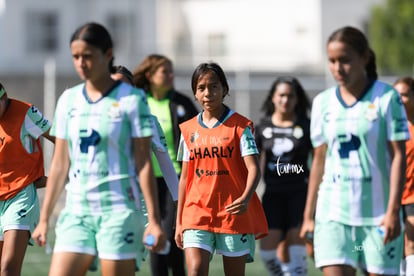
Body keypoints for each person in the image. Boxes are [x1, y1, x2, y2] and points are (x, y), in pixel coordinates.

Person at [31, 22, 166, 276]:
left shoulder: (132, 100)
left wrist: (155, 221)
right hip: (77, 213)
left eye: (88, 56)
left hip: (119, 212)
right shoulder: (68, 100)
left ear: (108, 55)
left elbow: (144, 163)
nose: (81, 63)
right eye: (76, 57)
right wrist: (45, 218)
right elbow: (60, 164)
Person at [300, 26, 409, 276]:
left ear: (364, 58)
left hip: (379, 218)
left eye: (345, 60)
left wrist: (393, 211)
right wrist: (309, 216)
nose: (338, 68)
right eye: (332, 61)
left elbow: (398, 157)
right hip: (333, 216)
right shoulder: (322, 103)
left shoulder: (387, 98)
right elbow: (318, 160)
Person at [174, 62, 268, 276]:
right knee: (196, 270)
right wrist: (179, 222)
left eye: (214, 86)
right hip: (196, 212)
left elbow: (254, 169)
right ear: (195, 93)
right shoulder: (188, 130)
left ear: (224, 89)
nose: (208, 93)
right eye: (201, 88)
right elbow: (185, 178)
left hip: (232, 213)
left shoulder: (241, 127)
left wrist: (245, 198)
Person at [133, 54, 198, 276]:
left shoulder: (183, 103)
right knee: (154, 236)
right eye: (165, 71)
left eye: (171, 71)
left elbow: (196, 139)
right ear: (150, 76)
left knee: (171, 235)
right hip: (146, 180)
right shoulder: (138, 102)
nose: (170, 76)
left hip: (176, 180)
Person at [255, 76, 312, 276]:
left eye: (290, 96)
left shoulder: (307, 126)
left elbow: (321, 159)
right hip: (272, 194)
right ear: (273, 97)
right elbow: (251, 163)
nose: (285, 100)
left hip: (299, 194)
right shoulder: (262, 127)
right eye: (281, 95)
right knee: (268, 253)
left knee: (296, 253)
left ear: (297, 99)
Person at [0, 82, 54, 276]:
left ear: (4, 98)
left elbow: (61, 140)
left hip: (20, 196)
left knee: (8, 269)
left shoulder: (26, 113)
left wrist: (55, 177)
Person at [394, 76, 414, 276]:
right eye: (396, 95)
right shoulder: (389, 126)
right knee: (395, 247)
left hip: (412, 195)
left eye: (405, 94)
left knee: (410, 244)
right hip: (391, 193)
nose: (400, 99)